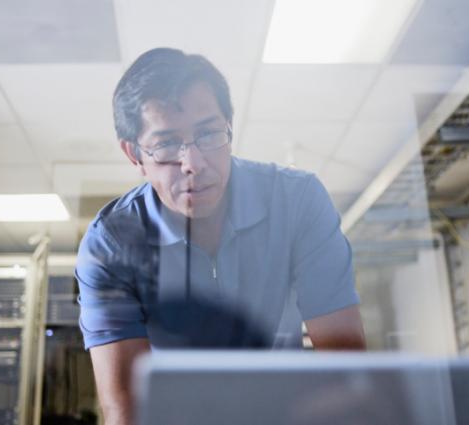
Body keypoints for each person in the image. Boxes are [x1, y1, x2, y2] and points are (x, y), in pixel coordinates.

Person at [75, 47, 366, 424]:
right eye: (165, 144)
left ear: (229, 125)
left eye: (209, 133)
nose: (193, 164)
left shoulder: (296, 202)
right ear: (134, 154)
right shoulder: (110, 246)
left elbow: (346, 367)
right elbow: (126, 408)